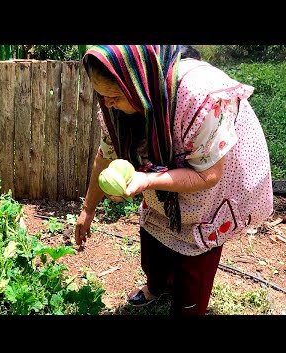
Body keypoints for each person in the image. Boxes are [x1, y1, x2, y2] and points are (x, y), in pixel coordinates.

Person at [74, 45, 273, 316]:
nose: (106, 104)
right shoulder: (117, 106)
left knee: (196, 254)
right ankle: (157, 286)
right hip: (167, 172)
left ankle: (188, 306)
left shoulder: (201, 97)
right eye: (101, 95)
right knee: (154, 234)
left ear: (139, 80)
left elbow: (208, 175)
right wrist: (88, 209)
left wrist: (146, 181)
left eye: (115, 96)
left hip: (214, 171)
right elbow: (105, 155)